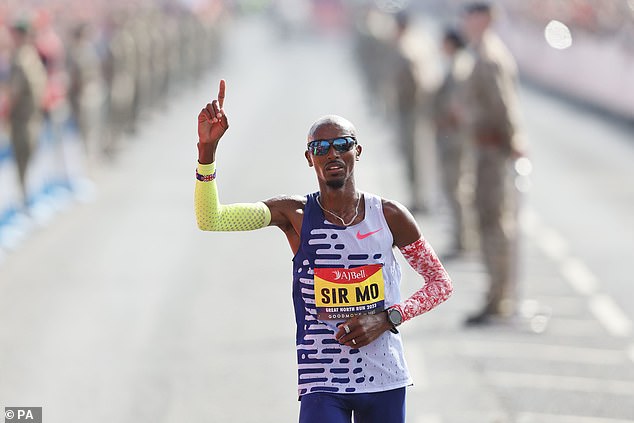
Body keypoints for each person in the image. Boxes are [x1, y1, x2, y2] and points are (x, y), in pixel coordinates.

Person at [194, 80, 453, 423]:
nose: (332, 153)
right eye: (321, 147)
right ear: (309, 158)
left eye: (342, 144)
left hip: (385, 378)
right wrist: (206, 153)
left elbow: (440, 283)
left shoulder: (389, 215)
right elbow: (212, 219)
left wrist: (387, 318)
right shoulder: (295, 215)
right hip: (323, 382)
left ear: (357, 151)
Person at [460, 2, 526, 325]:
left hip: (492, 151)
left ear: (484, 18)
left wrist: (513, 143)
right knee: (486, 220)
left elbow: (505, 107)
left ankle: (499, 297)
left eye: (471, 13)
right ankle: (495, 294)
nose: (466, 20)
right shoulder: (480, 52)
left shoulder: (490, 56)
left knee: (495, 223)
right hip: (483, 150)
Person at [431, 27, 473, 258]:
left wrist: (446, 122)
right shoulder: (460, 64)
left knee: (456, 187)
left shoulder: (458, 68)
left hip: (455, 137)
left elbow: (457, 107)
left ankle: (463, 238)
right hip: (455, 135)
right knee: (457, 187)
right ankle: (464, 237)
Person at [7, 18, 47, 208]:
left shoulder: (23, 57)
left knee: (24, 162)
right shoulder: (28, 56)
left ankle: (26, 201)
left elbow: (15, 92)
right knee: (25, 161)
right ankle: (25, 201)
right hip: (28, 118)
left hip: (25, 118)